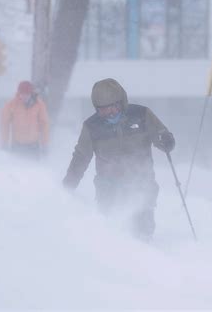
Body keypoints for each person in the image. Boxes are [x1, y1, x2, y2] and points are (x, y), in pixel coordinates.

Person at [63, 78, 175, 240]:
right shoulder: (92, 127)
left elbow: (161, 137)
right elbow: (80, 158)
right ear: (97, 109)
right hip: (109, 187)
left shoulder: (141, 115)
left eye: (113, 107)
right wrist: (67, 187)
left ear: (121, 102)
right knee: (113, 232)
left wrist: (166, 140)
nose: (110, 113)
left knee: (143, 231)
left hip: (141, 184)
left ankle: (145, 255)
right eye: (104, 110)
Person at [0, 81, 49, 159]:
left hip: (33, 146)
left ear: (31, 93)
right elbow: (4, 124)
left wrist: (45, 143)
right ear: (19, 93)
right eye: (22, 94)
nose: (24, 96)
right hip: (17, 145)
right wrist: (4, 142)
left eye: (27, 94)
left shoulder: (39, 105)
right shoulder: (12, 104)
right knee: (15, 169)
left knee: (34, 170)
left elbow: (44, 125)